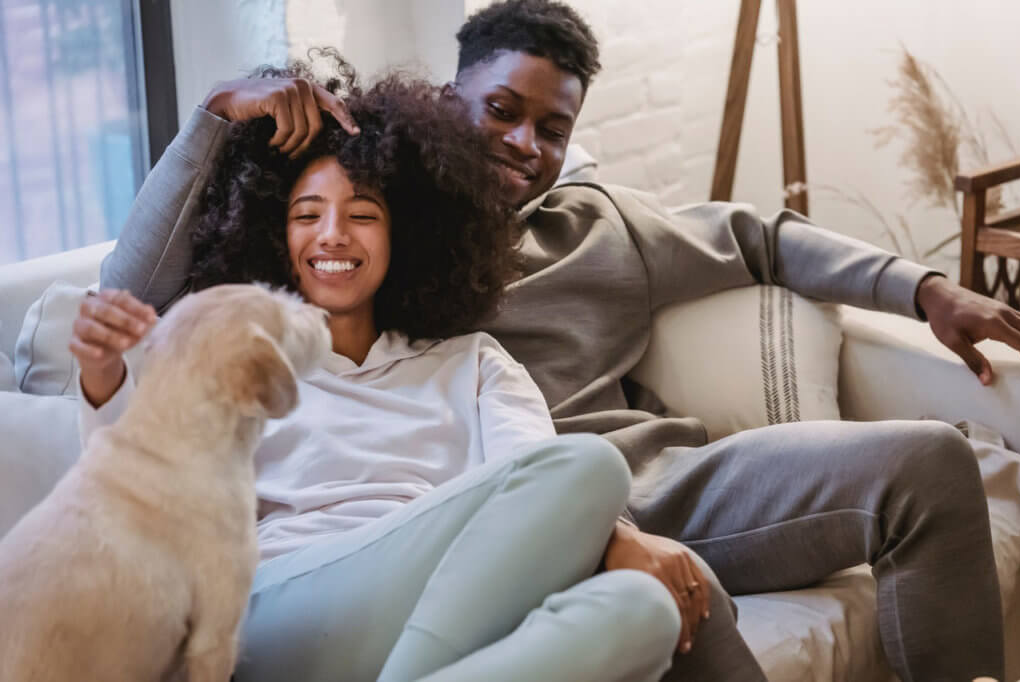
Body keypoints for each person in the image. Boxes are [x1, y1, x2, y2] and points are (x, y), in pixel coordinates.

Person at [99, 2, 1020, 680]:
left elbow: (758, 237)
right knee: (656, 572)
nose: (522, 143)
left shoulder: (595, 225)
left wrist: (925, 287)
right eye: (500, 110)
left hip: (647, 485)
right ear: (444, 100)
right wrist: (219, 119)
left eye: (552, 129)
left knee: (933, 459)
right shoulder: (348, 241)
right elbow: (127, 301)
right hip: (483, 523)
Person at [70, 59, 687, 682]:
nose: (333, 236)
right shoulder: (233, 360)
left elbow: (534, 482)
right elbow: (134, 464)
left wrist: (608, 531)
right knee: (592, 464)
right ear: (272, 235)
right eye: (307, 216)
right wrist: (216, 109)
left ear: (406, 236)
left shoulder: (472, 362)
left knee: (643, 612)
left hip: (447, 602)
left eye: (362, 215)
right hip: (282, 604)